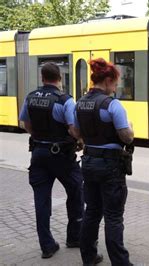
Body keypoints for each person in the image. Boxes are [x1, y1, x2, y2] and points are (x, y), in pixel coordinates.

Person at [19, 62, 84, 259]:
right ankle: (74, 237)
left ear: (42, 78)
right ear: (60, 79)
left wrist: (39, 137)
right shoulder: (65, 100)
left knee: (42, 200)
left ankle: (47, 246)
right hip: (62, 156)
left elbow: (26, 124)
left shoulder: (30, 98)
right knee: (76, 190)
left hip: (38, 153)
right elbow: (74, 129)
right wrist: (79, 140)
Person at [75, 58, 134, 266]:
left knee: (91, 211)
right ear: (108, 80)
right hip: (111, 166)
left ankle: (89, 257)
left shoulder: (80, 103)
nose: (115, 87)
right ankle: (121, 263)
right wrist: (131, 128)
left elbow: (74, 131)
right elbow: (126, 137)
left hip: (89, 162)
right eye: (116, 83)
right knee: (113, 217)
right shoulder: (112, 105)